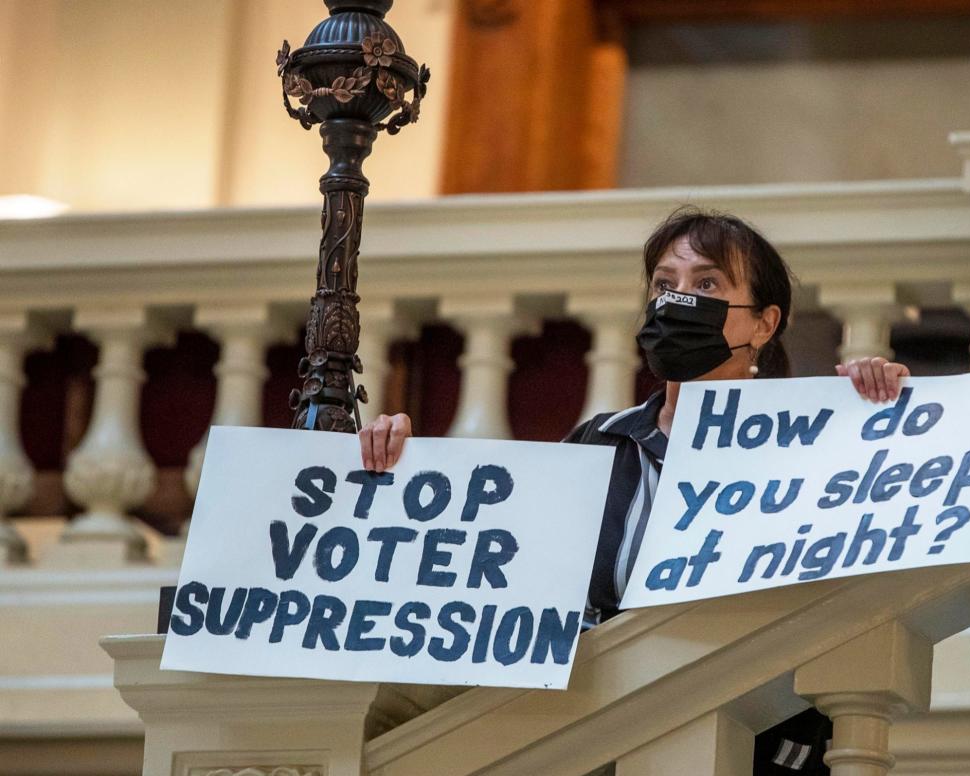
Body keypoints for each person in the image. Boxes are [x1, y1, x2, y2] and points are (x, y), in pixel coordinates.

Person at [358, 207, 909, 774]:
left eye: (707, 284)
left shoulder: (812, 446)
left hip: (750, 743)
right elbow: (502, 575)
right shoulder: (600, 443)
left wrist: (878, 423)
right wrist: (400, 470)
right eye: (664, 285)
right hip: (589, 729)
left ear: (763, 324)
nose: (678, 300)